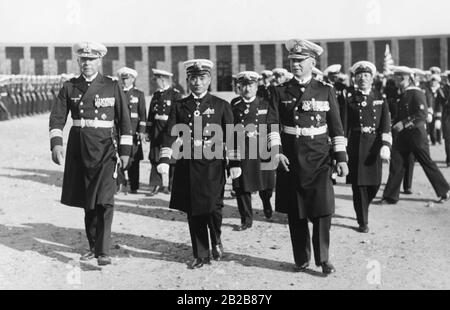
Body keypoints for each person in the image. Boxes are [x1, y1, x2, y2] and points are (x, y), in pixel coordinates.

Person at [266, 39, 348, 275]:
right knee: (296, 211)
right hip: (291, 156)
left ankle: (323, 259)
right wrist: (276, 151)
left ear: (312, 62)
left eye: (300, 61)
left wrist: (341, 158)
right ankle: (301, 259)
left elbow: (336, 127)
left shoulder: (325, 90)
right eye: (292, 61)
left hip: (320, 157)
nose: (295, 65)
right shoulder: (279, 91)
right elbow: (272, 124)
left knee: (323, 210)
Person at [49, 42, 132, 266]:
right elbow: (57, 117)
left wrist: (125, 151)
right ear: (78, 62)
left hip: (106, 148)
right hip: (80, 148)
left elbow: (124, 121)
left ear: (99, 61)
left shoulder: (111, 86)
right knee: (89, 202)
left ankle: (103, 251)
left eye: (92, 59)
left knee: (105, 200)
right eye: (83, 60)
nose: (87, 63)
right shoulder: (70, 87)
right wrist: (56, 143)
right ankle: (93, 245)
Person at [157, 59, 241, 269]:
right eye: (193, 78)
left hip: (213, 164)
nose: (197, 82)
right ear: (187, 80)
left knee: (213, 207)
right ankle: (201, 254)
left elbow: (231, 135)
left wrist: (235, 162)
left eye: (202, 78)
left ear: (209, 80)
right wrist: (165, 158)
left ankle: (217, 238)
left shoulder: (221, 105)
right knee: (193, 210)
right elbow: (168, 132)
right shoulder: (180, 106)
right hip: (188, 163)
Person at [380, 66, 450, 204]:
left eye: (400, 78)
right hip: (403, 137)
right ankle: (390, 197)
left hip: (416, 136)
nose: (397, 81)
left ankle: (444, 190)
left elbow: (421, 115)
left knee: (427, 163)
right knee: (396, 164)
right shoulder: (404, 93)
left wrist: (404, 123)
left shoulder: (416, 93)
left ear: (407, 79)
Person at [344, 61, 392, 233]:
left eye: (366, 75)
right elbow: (344, 127)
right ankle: (362, 220)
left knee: (375, 184)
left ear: (372, 78)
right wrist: (341, 151)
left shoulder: (380, 99)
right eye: (359, 76)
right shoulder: (349, 101)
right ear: (355, 79)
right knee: (359, 187)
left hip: (374, 146)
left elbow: (385, 125)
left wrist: (386, 144)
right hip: (356, 146)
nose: (362, 78)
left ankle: (365, 206)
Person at [231, 71, 276, 230]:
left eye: (250, 85)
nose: (247, 89)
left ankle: (266, 202)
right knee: (241, 186)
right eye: (243, 86)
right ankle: (246, 219)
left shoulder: (265, 104)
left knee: (266, 184)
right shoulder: (235, 105)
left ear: (256, 87)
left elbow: (272, 127)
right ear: (239, 87)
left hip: (263, 149)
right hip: (243, 150)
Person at [146, 68, 182, 196]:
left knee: (172, 157)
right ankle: (156, 185)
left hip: (170, 129)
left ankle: (173, 186)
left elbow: (178, 114)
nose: (155, 82)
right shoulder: (156, 95)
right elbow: (151, 114)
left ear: (162, 79)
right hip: (156, 130)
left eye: (156, 79)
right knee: (155, 156)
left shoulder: (175, 94)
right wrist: (148, 131)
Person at [116, 67, 147, 194]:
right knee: (119, 156)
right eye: (122, 79)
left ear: (133, 79)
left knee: (134, 159)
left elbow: (143, 115)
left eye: (127, 79)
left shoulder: (138, 94)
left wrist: (142, 130)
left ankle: (134, 186)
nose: (124, 81)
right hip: (120, 131)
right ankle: (121, 184)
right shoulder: (117, 93)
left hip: (134, 132)